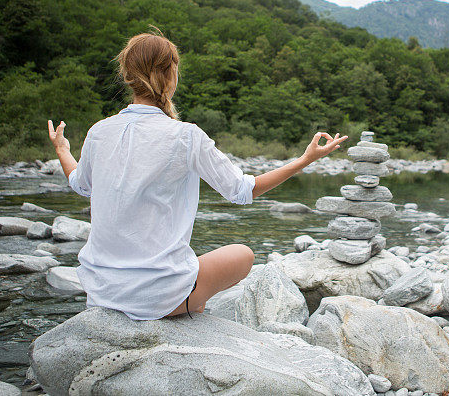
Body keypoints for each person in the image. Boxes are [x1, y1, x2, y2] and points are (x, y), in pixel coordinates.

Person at [46, 29, 348, 321]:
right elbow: (242, 191)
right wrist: (304, 160)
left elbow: (81, 185)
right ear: (170, 75)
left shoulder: (99, 131)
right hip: (155, 298)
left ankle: (185, 298)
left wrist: (62, 149)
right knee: (243, 254)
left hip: (100, 291)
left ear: (127, 76)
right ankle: (186, 302)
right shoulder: (186, 136)